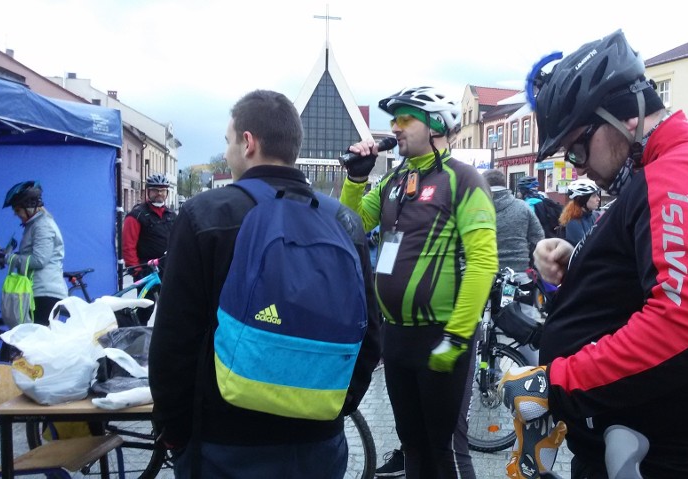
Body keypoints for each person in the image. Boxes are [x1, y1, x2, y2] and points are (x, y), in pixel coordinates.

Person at [500, 30, 688, 478]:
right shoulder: (653, 173)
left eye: (578, 148)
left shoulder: (680, 172)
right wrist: (583, 267)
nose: (578, 166)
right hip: (638, 448)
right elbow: (651, 276)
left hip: (681, 457)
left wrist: (559, 384)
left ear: (618, 118)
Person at [148, 90, 382, 478]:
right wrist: (338, 406)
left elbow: (175, 339)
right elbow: (370, 334)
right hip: (319, 444)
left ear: (248, 142)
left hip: (223, 441)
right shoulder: (343, 222)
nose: (226, 153)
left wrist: (173, 429)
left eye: (227, 142)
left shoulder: (205, 215)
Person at [339, 86, 497, 479]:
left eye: (405, 118)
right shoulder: (395, 179)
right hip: (396, 335)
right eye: (394, 120)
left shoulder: (463, 179)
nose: (395, 127)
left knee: (445, 449)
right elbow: (350, 227)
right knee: (411, 443)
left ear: (435, 126)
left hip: (443, 334)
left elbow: (483, 261)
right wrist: (356, 181)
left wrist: (458, 336)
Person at [2, 181, 69, 325]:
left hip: (45, 292)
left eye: (18, 210)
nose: (16, 215)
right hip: (38, 291)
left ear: (29, 207)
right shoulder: (34, 225)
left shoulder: (43, 226)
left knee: (38, 342)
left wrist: (10, 258)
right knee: (35, 341)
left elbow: (39, 260)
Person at [482, 169, 544, 272]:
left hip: (483, 275)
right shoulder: (523, 207)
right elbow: (538, 239)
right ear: (504, 184)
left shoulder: (474, 209)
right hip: (519, 275)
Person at [122, 173, 175, 278]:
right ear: (148, 192)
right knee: (147, 296)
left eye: (163, 190)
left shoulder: (171, 215)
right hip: (147, 270)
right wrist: (136, 270)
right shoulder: (137, 215)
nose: (159, 194)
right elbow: (128, 246)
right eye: (155, 190)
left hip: (168, 269)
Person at [558, 178, 601, 246]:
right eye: (594, 196)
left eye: (597, 195)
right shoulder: (573, 222)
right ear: (582, 200)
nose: (598, 199)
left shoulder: (594, 215)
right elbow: (583, 247)